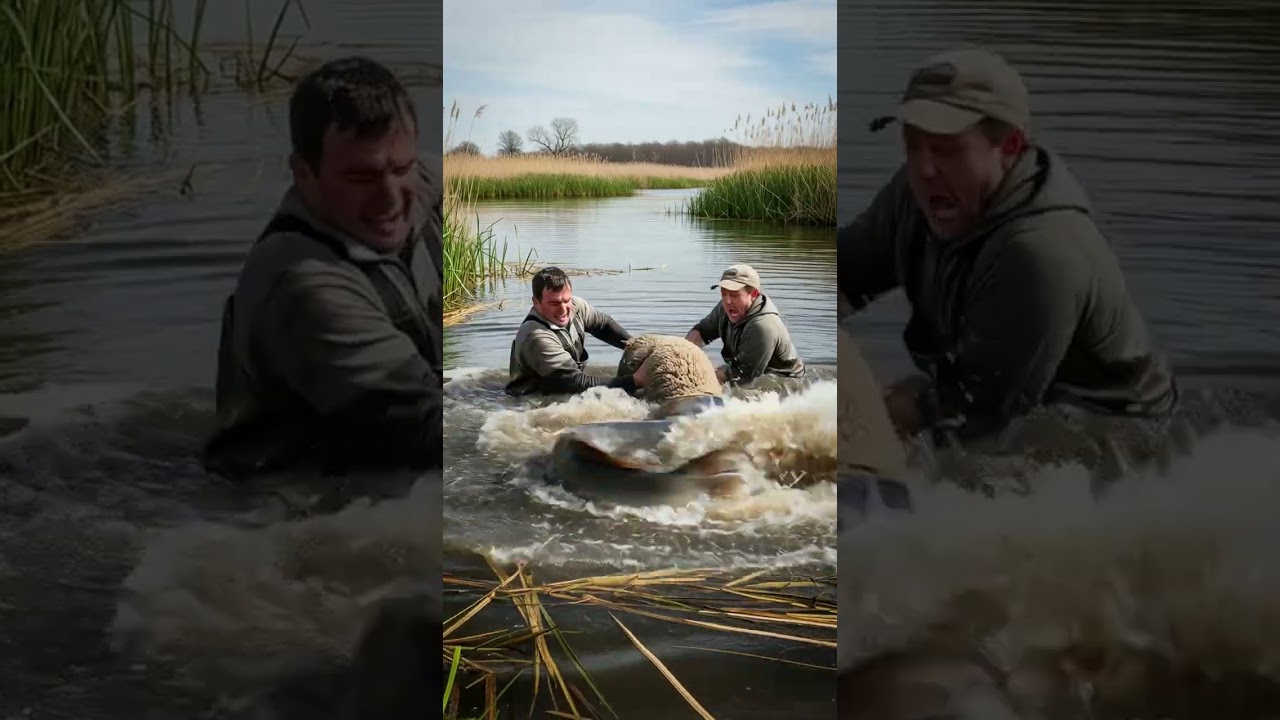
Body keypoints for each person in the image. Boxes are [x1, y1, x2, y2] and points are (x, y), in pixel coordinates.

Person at [839, 46, 1177, 447]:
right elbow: (842, 275)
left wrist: (898, 410)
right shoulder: (916, 194)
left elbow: (979, 416)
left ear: (1011, 146)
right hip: (995, 399)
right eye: (913, 145)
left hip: (1113, 441)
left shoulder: (1041, 252)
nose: (926, 169)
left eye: (947, 149)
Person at [203, 56, 443, 478]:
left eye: (401, 168)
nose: (391, 199)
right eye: (361, 178)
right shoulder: (304, 283)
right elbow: (429, 426)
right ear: (304, 173)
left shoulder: (413, 185)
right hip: (286, 506)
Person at [505, 266, 638, 396]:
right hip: (531, 402)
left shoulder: (576, 306)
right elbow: (574, 382)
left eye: (566, 300)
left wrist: (635, 346)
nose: (563, 310)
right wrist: (635, 380)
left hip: (567, 388)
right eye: (554, 303)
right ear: (536, 302)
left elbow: (602, 325)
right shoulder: (536, 336)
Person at [686, 264, 806, 385]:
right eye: (723, 294)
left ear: (753, 294)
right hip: (751, 373)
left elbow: (744, 377)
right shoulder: (724, 308)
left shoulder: (763, 326)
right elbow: (699, 332)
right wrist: (687, 359)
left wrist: (705, 375)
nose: (727, 301)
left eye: (734, 295)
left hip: (786, 385)